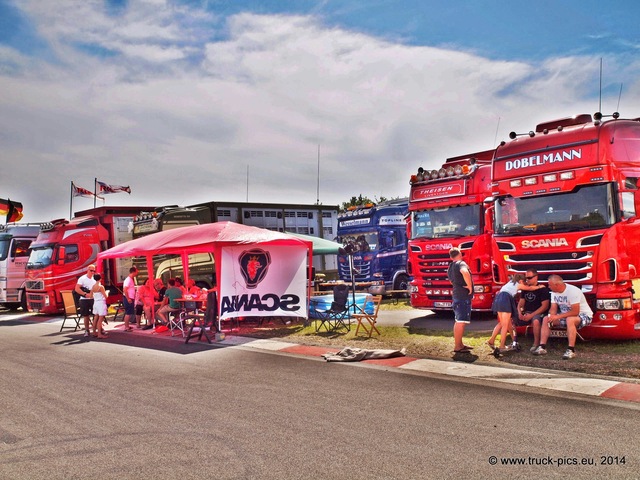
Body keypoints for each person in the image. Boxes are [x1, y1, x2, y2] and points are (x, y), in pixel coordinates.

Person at [532, 274, 593, 359]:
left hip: (583, 315)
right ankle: (542, 347)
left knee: (570, 320)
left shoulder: (573, 291)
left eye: (550, 285)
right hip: (565, 315)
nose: (548, 287)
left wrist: (558, 317)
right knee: (546, 319)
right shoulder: (554, 292)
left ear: (557, 285)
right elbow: (553, 307)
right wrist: (552, 316)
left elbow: (575, 312)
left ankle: (571, 350)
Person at [487, 273, 525, 354]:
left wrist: (514, 339)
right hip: (506, 299)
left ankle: (491, 340)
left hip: (499, 298)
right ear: (521, 280)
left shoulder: (510, 283)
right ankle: (502, 346)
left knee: (502, 323)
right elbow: (530, 288)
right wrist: (539, 287)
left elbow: (510, 326)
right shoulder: (519, 284)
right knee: (505, 324)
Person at [446, 247, 474, 353]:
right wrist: (469, 286)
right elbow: (464, 272)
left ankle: (460, 344)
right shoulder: (461, 263)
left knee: (459, 320)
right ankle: (458, 346)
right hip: (462, 297)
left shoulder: (450, 267)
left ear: (450, 257)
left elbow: (451, 281)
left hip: (457, 295)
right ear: (460, 254)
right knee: (460, 322)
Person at [516, 269, 551, 353]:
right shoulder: (525, 289)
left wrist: (531, 315)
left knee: (535, 320)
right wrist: (520, 312)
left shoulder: (543, 289)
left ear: (536, 277)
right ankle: (514, 341)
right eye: (526, 278)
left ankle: (536, 343)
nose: (527, 280)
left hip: (538, 312)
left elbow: (545, 306)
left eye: (529, 277)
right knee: (511, 318)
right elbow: (521, 304)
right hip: (527, 312)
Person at [75, 264, 96, 337]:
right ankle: (87, 330)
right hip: (84, 300)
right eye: (91, 270)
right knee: (86, 315)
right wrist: (84, 294)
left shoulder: (94, 279)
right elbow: (77, 288)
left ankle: (96, 329)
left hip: (93, 299)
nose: (92, 272)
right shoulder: (82, 278)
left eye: (94, 271)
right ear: (87, 270)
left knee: (96, 315)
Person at [90, 273, 109, 339]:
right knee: (100, 319)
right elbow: (106, 296)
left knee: (95, 318)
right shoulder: (101, 287)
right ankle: (99, 334)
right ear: (100, 278)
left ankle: (94, 332)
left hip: (95, 303)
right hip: (101, 303)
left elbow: (90, 296)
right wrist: (107, 292)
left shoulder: (93, 286)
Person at [122, 266, 138, 332]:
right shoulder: (128, 280)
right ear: (133, 272)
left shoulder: (131, 279)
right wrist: (128, 298)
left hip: (130, 297)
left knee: (129, 312)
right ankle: (126, 327)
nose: (137, 273)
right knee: (128, 313)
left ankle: (127, 325)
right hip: (128, 298)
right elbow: (125, 289)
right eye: (136, 272)